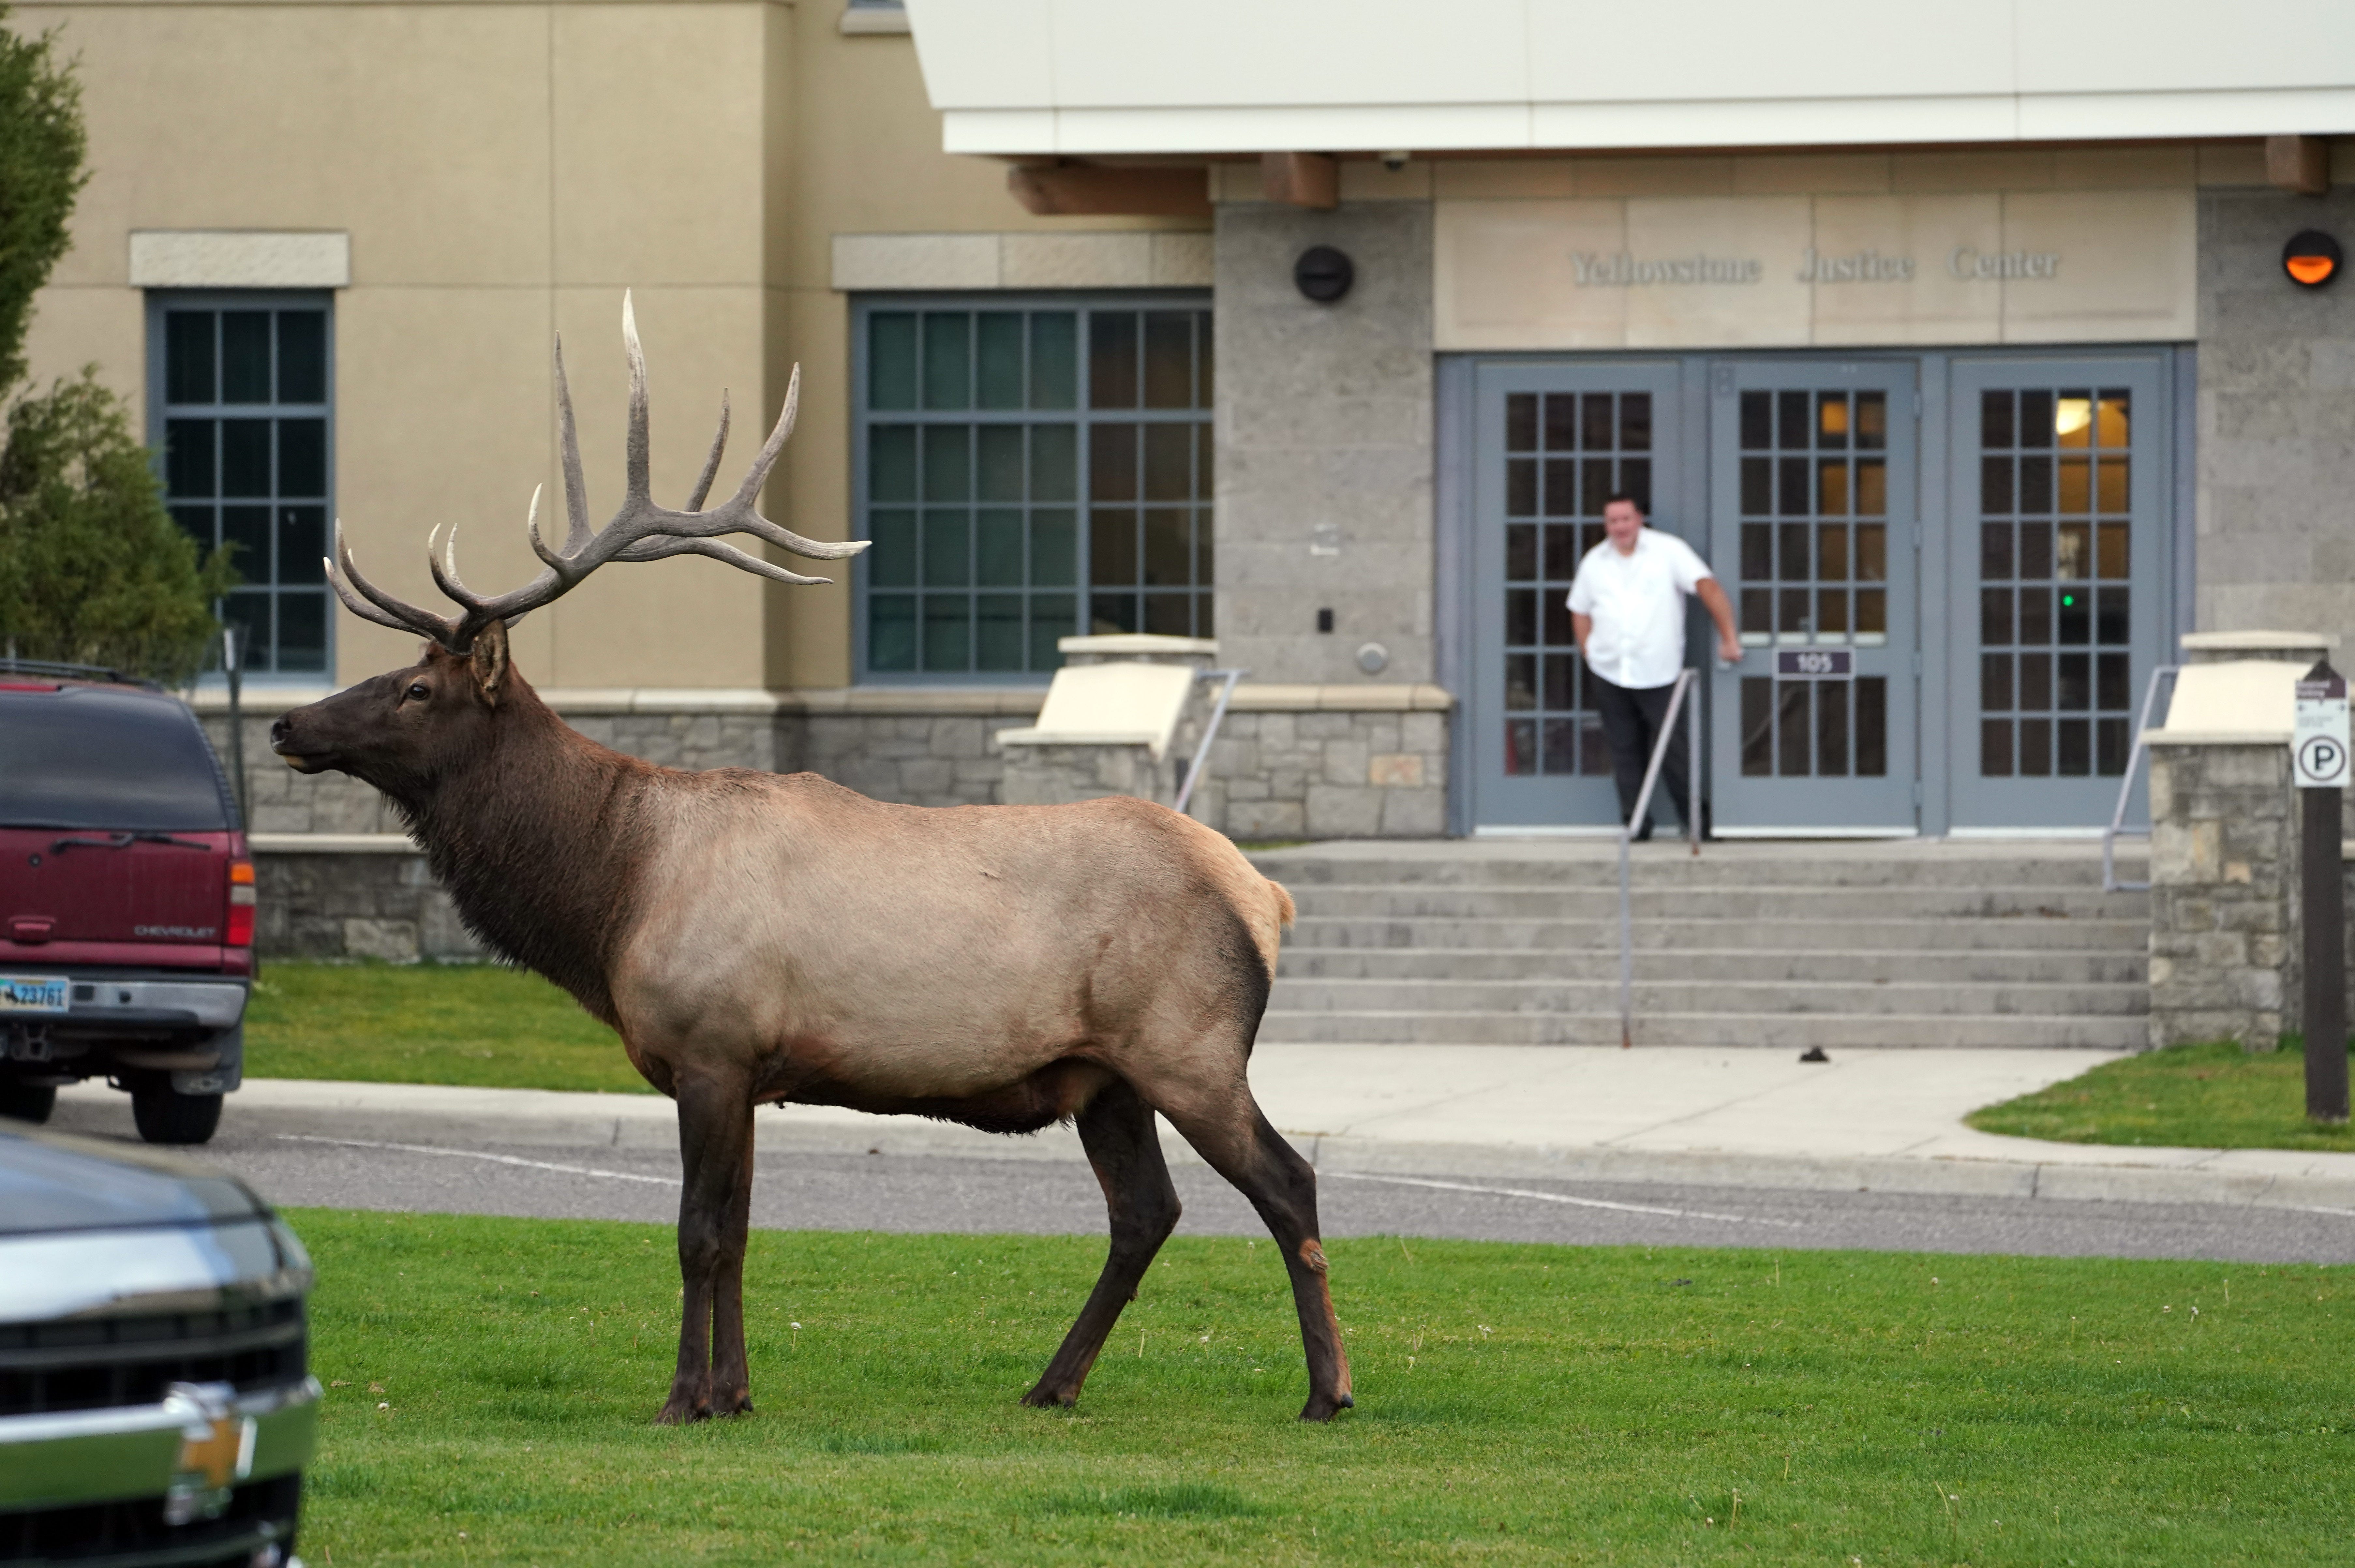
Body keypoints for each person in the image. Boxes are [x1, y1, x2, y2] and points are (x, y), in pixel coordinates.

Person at [1567, 493, 1742, 838]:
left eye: (1625, 519)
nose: (1620, 527)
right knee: (1623, 751)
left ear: (1639, 519)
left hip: (1658, 671)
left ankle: (1695, 824)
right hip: (1609, 671)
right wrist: (1588, 652)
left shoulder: (1668, 551)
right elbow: (1579, 609)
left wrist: (1728, 638)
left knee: (1675, 752)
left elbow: (1707, 588)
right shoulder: (1594, 561)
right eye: (1613, 521)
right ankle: (1635, 825)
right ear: (1606, 525)